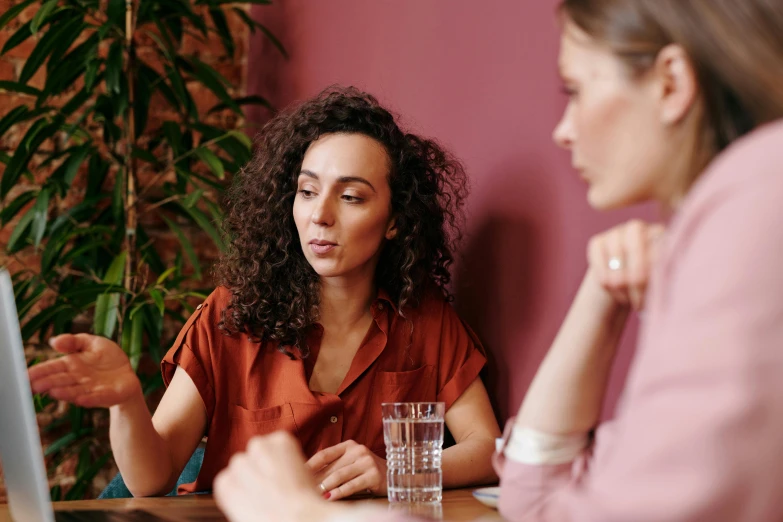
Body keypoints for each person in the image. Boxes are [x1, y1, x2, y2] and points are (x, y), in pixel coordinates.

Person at [209, 0, 783, 520]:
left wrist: (306, 517)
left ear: (671, 82)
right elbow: (533, 495)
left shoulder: (755, 212)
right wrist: (599, 291)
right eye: (308, 191)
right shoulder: (732, 212)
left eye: (576, 90)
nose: (563, 129)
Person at [28, 87, 501, 499]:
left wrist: (393, 471)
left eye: (351, 196)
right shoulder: (232, 315)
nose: (321, 215)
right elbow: (151, 479)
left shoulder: (425, 321)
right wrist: (127, 401)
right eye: (307, 191)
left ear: (396, 220)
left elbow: (488, 450)